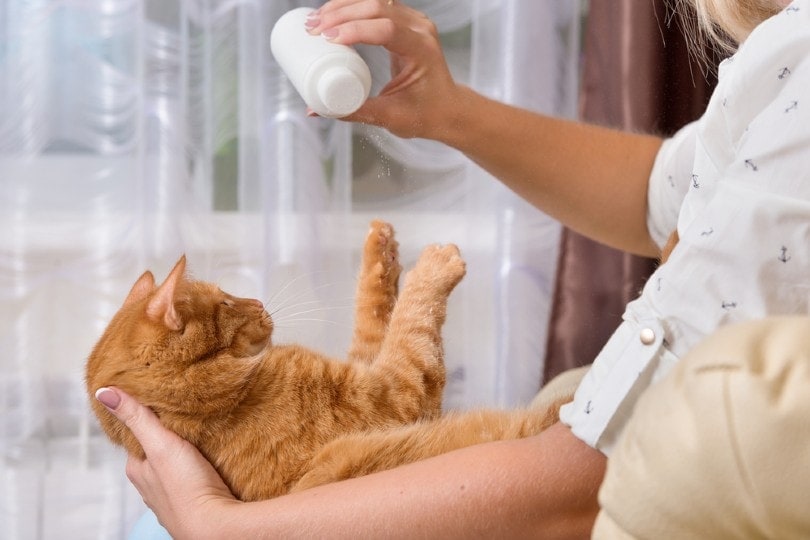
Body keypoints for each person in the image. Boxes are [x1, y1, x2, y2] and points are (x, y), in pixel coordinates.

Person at [95, 0, 810, 537]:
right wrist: (444, 111)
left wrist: (226, 528)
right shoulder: (786, 53)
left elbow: (597, 479)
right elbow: (668, 191)